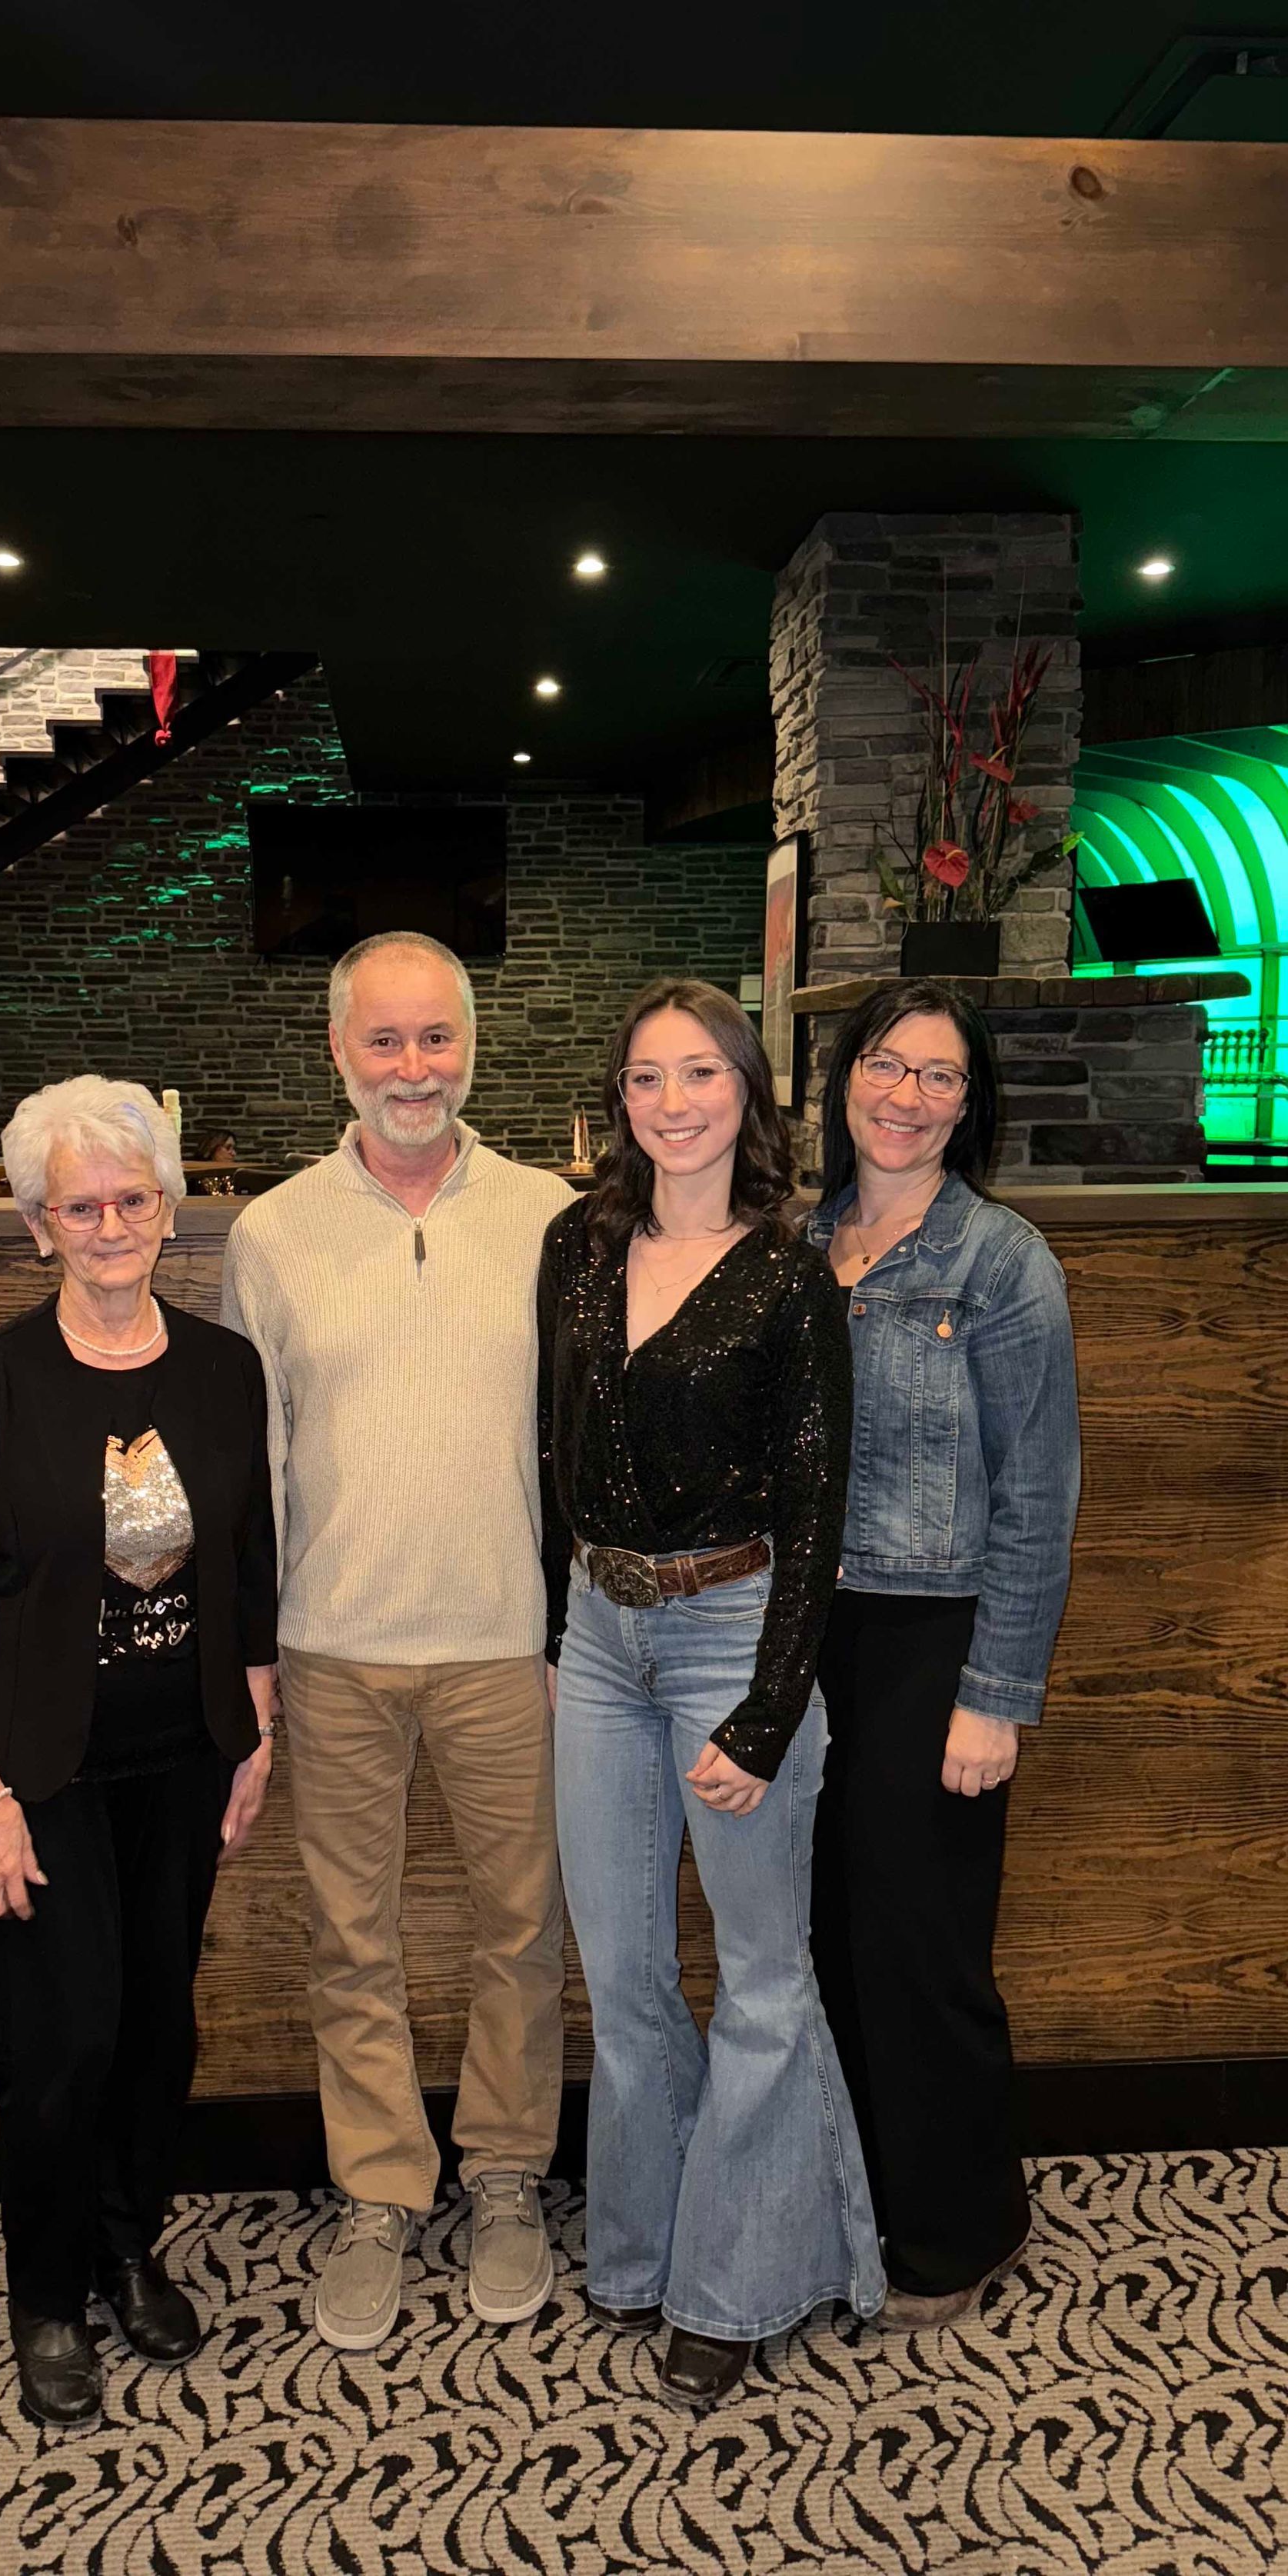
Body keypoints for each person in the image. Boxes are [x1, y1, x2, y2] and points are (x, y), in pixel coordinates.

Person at [0, 1075, 278, 2428]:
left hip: (183, 1752)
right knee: (59, 2041)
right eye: (82, 1205)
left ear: (171, 1209)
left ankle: (129, 2244)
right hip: (37, 1769)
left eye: (134, 1197)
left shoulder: (223, 1370)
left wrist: (255, 1723)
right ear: (37, 1225)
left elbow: (247, 1559)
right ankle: (46, 2291)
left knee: (156, 2025)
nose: (111, 1222)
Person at [222, 932, 574, 2351]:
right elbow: (256, 1466)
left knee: (522, 1934)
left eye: (436, 1038)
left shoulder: (556, 1218)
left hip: (508, 1640)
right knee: (350, 1940)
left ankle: (502, 2175)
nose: (413, 1068)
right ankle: (378, 2187)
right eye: (386, 1041)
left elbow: (576, 1444)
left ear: (471, 1046)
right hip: (335, 1646)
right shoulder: (273, 1233)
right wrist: (254, 1664)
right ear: (339, 1053)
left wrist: (577, 1623)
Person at [537, 976, 884, 2414]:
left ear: (748, 1092)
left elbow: (821, 1509)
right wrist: (558, 1635)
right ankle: (641, 2244)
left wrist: (767, 1707)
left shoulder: (791, 1276)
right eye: (644, 1078)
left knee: (758, 1976)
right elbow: (545, 1447)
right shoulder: (575, 1243)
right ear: (616, 1101)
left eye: (700, 1074)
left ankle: (735, 2283)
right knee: (620, 1973)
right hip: (597, 1637)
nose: (672, 1103)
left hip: (736, 1628)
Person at [806, 980, 1080, 2330]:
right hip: (806, 1639)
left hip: (935, 1636)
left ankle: (959, 2228)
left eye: (940, 1077)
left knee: (923, 1949)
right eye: (886, 1064)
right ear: (843, 1076)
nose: (906, 1096)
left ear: (972, 1107)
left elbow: (1040, 1492)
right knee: (827, 1942)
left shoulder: (1000, 1260)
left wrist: (996, 1695)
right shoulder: (799, 1241)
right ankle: (856, 2197)